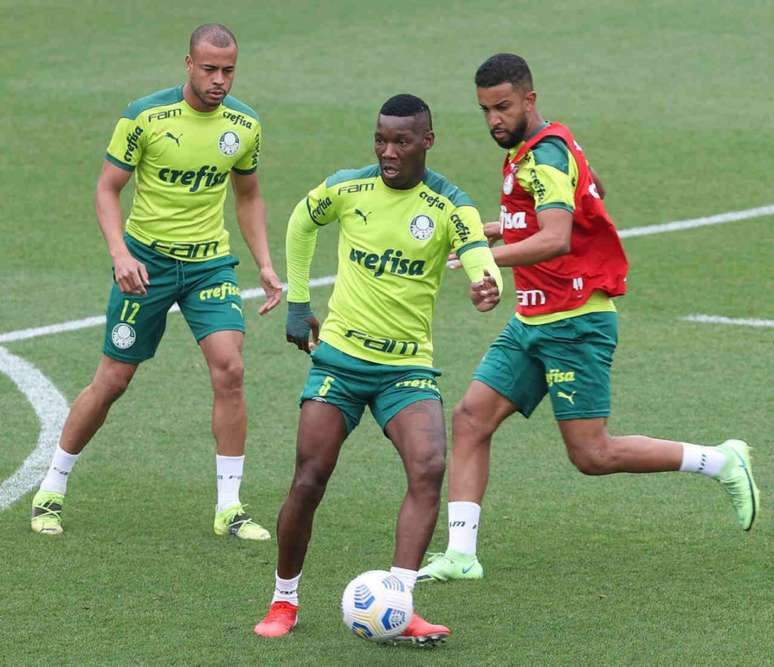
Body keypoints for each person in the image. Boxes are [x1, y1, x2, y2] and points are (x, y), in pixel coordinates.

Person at [418, 53, 760, 583]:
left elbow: (555, 236)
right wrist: (493, 229)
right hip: (533, 320)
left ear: (529, 100)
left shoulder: (546, 155)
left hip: (575, 323)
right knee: (470, 418)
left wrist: (481, 257)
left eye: (503, 107)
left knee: (592, 454)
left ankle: (720, 461)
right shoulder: (542, 145)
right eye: (485, 110)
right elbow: (586, 189)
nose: (493, 121)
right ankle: (462, 554)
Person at [253, 94, 502, 642]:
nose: (389, 151)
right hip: (340, 359)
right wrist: (298, 303)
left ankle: (400, 600)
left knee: (430, 465)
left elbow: (477, 251)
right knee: (309, 478)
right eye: (381, 139)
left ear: (427, 142)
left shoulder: (448, 203)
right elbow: (300, 221)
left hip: (406, 367)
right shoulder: (347, 187)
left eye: (402, 141)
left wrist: (488, 284)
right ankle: (284, 599)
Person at [30, 24, 283, 540]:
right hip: (146, 265)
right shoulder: (145, 116)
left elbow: (249, 195)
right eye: (209, 69)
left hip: (210, 265)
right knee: (112, 381)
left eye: (228, 70)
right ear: (188, 65)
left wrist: (263, 262)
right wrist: (120, 254)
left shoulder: (245, 124)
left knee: (230, 369)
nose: (219, 81)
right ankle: (51, 488)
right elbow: (107, 190)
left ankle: (229, 508)